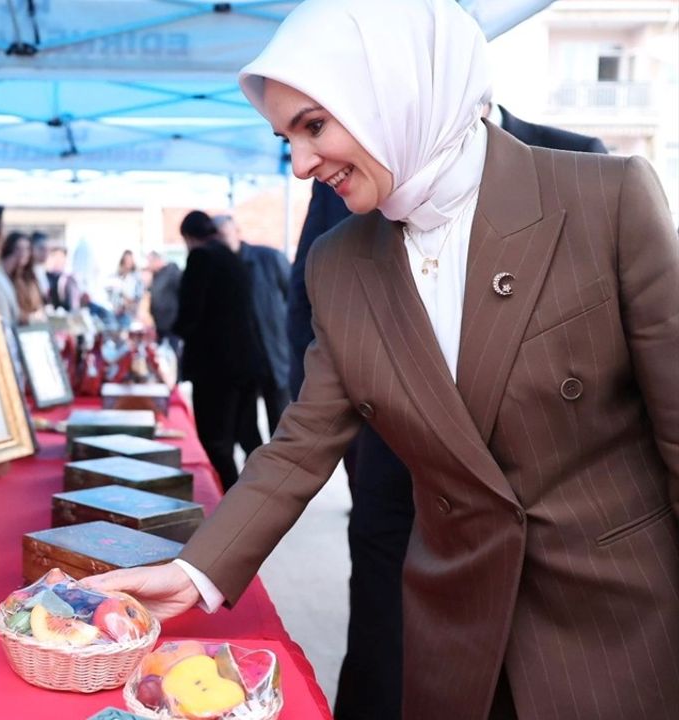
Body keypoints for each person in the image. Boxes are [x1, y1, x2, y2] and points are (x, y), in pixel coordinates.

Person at [86, 2, 678, 719]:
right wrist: (194, 570)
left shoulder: (605, 200)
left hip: (618, 635)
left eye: (313, 126)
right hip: (455, 639)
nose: (301, 164)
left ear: (397, 89)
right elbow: (301, 443)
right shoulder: (340, 263)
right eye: (286, 138)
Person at [290, 107, 611, 720]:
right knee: (389, 657)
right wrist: (344, 439)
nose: (306, 161)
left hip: (540, 496)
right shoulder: (347, 173)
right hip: (399, 473)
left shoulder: (582, 165)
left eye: (310, 130)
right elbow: (310, 310)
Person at [173, 211, 265, 491]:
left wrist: (173, 329)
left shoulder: (202, 258)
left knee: (216, 442)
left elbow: (191, 314)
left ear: (188, 237)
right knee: (246, 436)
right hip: (246, 361)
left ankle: (230, 503)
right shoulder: (231, 256)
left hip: (216, 367)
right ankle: (254, 496)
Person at [213, 214, 291, 448]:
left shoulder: (268, 258)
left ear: (236, 232)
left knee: (281, 422)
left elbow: (297, 300)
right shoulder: (217, 267)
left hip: (273, 355)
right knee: (244, 427)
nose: (220, 242)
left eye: (223, 235)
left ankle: (281, 474)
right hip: (243, 362)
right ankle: (258, 470)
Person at [2, 230, 44, 321]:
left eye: (27, 249)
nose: (23, 253)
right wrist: (30, 317)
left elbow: (38, 304)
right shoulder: (5, 276)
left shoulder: (31, 277)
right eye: (18, 248)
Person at [145, 250, 182, 351]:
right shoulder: (155, 276)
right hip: (159, 325)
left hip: (172, 324)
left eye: (150, 262)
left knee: (173, 352)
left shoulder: (172, 271)